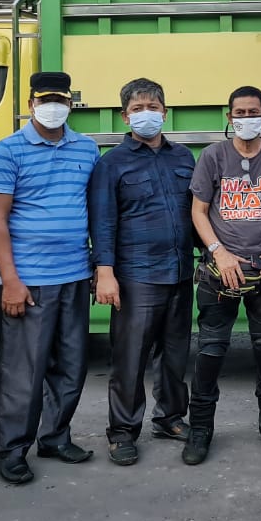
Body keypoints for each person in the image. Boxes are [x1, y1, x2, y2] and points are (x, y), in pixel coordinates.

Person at [0, 71, 100, 485]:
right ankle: (11, 449)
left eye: (61, 100)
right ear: (31, 103)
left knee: (71, 365)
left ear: (70, 103)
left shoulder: (87, 148)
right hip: (29, 279)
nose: (53, 107)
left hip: (74, 275)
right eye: (45, 100)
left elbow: (93, 208)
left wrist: (96, 266)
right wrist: (11, 280)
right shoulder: (7, 151)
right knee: (23, 371)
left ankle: (54, 436)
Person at [183, 86, 261, 465]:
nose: (246, 118)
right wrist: (219, 252)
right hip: (220, 275)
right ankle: (200, 429)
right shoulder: (213, 156)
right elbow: (198, 211)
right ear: (229, 117)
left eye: (253, 112)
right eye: (239, 112)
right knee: (210, 353)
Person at [89, 78, 196, 468]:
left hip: (180, 271)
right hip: (136, 276)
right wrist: (104, 272)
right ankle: (122, 431)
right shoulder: (111, 163)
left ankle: (170, 418)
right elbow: (103, 221)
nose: (146, 114)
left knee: (175, 355)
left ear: (165, 112)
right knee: (130, 358)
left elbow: (198, 213)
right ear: (125, 116)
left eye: (152, 107)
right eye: (137, 109)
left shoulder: (184, 157)